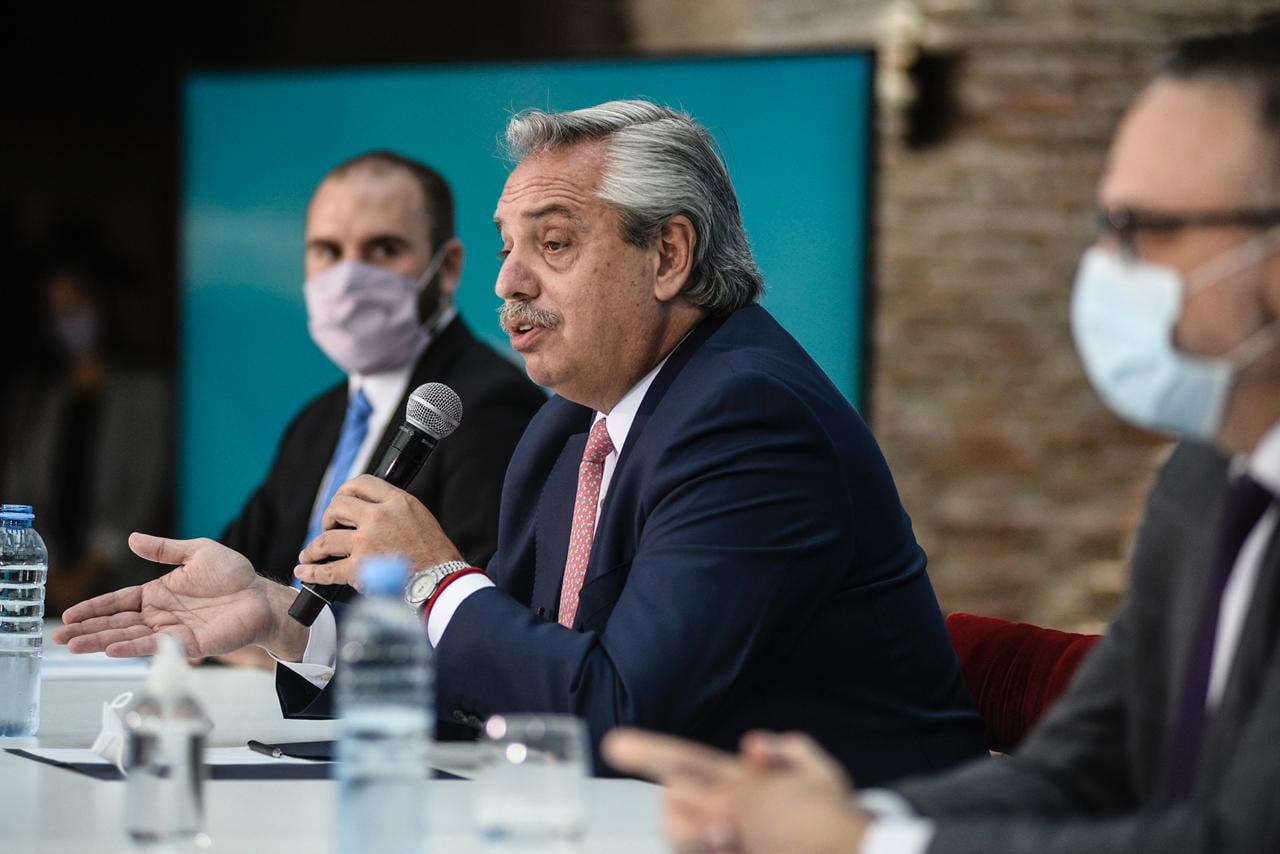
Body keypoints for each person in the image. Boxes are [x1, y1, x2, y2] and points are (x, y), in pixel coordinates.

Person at [55, 100, 986, 782]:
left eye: (552, 245)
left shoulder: (749, 420)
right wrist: (284, 621)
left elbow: (614, 714)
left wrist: (434, 576)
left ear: (668, 256)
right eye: (505, 246)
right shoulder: (566, 429)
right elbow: (497, 677)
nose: (507, 284)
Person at [604, 19, 1280, 853]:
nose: (1108, 266)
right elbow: (1086, 766)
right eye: (1105, 225)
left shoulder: (746, 402)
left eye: (1146, 230)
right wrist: (866, 823)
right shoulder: (1206, 477)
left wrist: (869, 848)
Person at [221, 151, 545, 590]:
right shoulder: (316, 422)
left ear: (447, 268)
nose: (350, 277)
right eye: (328, 251)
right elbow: (241, 564)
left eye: (384, 249)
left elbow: (481, 613)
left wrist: (284, 650)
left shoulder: (488, 405)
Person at [4, 264, 172, 615]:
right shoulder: (37, 397)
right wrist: (47, 564)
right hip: (44, 588)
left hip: (124, 586)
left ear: (101, 305)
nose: (66, 322)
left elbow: (143, 491)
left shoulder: (146, 393)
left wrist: (90, 569)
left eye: (74, 308)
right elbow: (19, 486)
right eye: (55, 312)